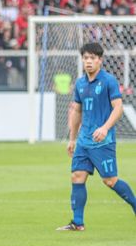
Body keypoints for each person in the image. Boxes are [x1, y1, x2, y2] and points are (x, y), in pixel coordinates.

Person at [57, 42, 136, 231]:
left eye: (92, 58)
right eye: (85, 58)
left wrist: (105, 128)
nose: (89, 61)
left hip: (103, 141)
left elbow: (118, 108)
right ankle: (77, 222)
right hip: (84, 141)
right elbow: (76, 111)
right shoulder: (80, 83)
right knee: (77, 176)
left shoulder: (108, 81)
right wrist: (73, 139)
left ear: (100, 60)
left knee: (109, 180)